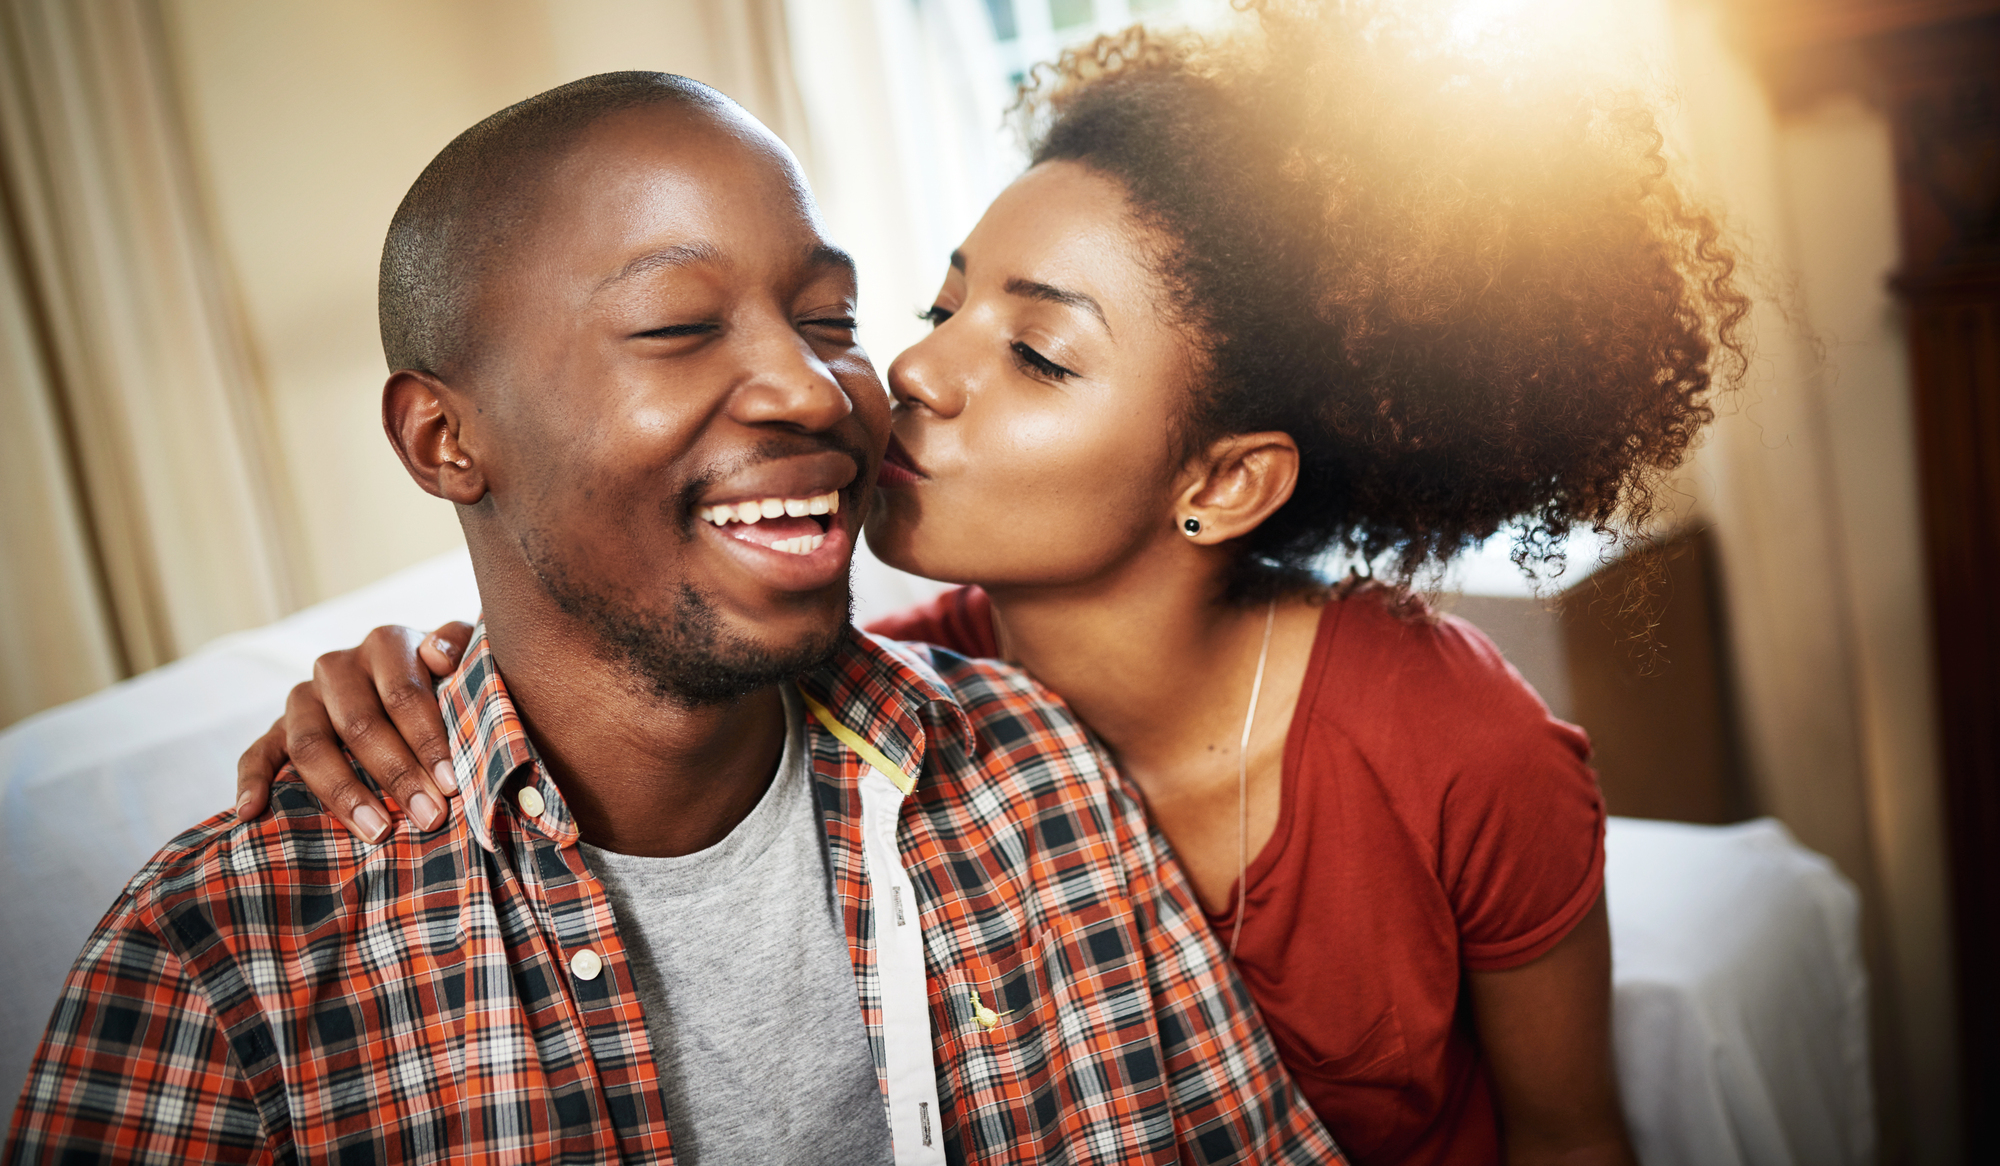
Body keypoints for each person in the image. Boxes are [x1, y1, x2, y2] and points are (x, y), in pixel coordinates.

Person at [236, 3, 1750, 1164]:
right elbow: (628, 654)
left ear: (1221, 482)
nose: (902, 374)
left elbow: (1570, 1138)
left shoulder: (1452, 747)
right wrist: (395, 684)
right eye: (937, 301)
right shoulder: (893, 704)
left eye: (1034, 351)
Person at [5, 73, 1342, 1166]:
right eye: (677, 324)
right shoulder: (219, 966)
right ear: (442, 436)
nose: (816, 391)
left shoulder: (1032, 776)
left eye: (831, 317)